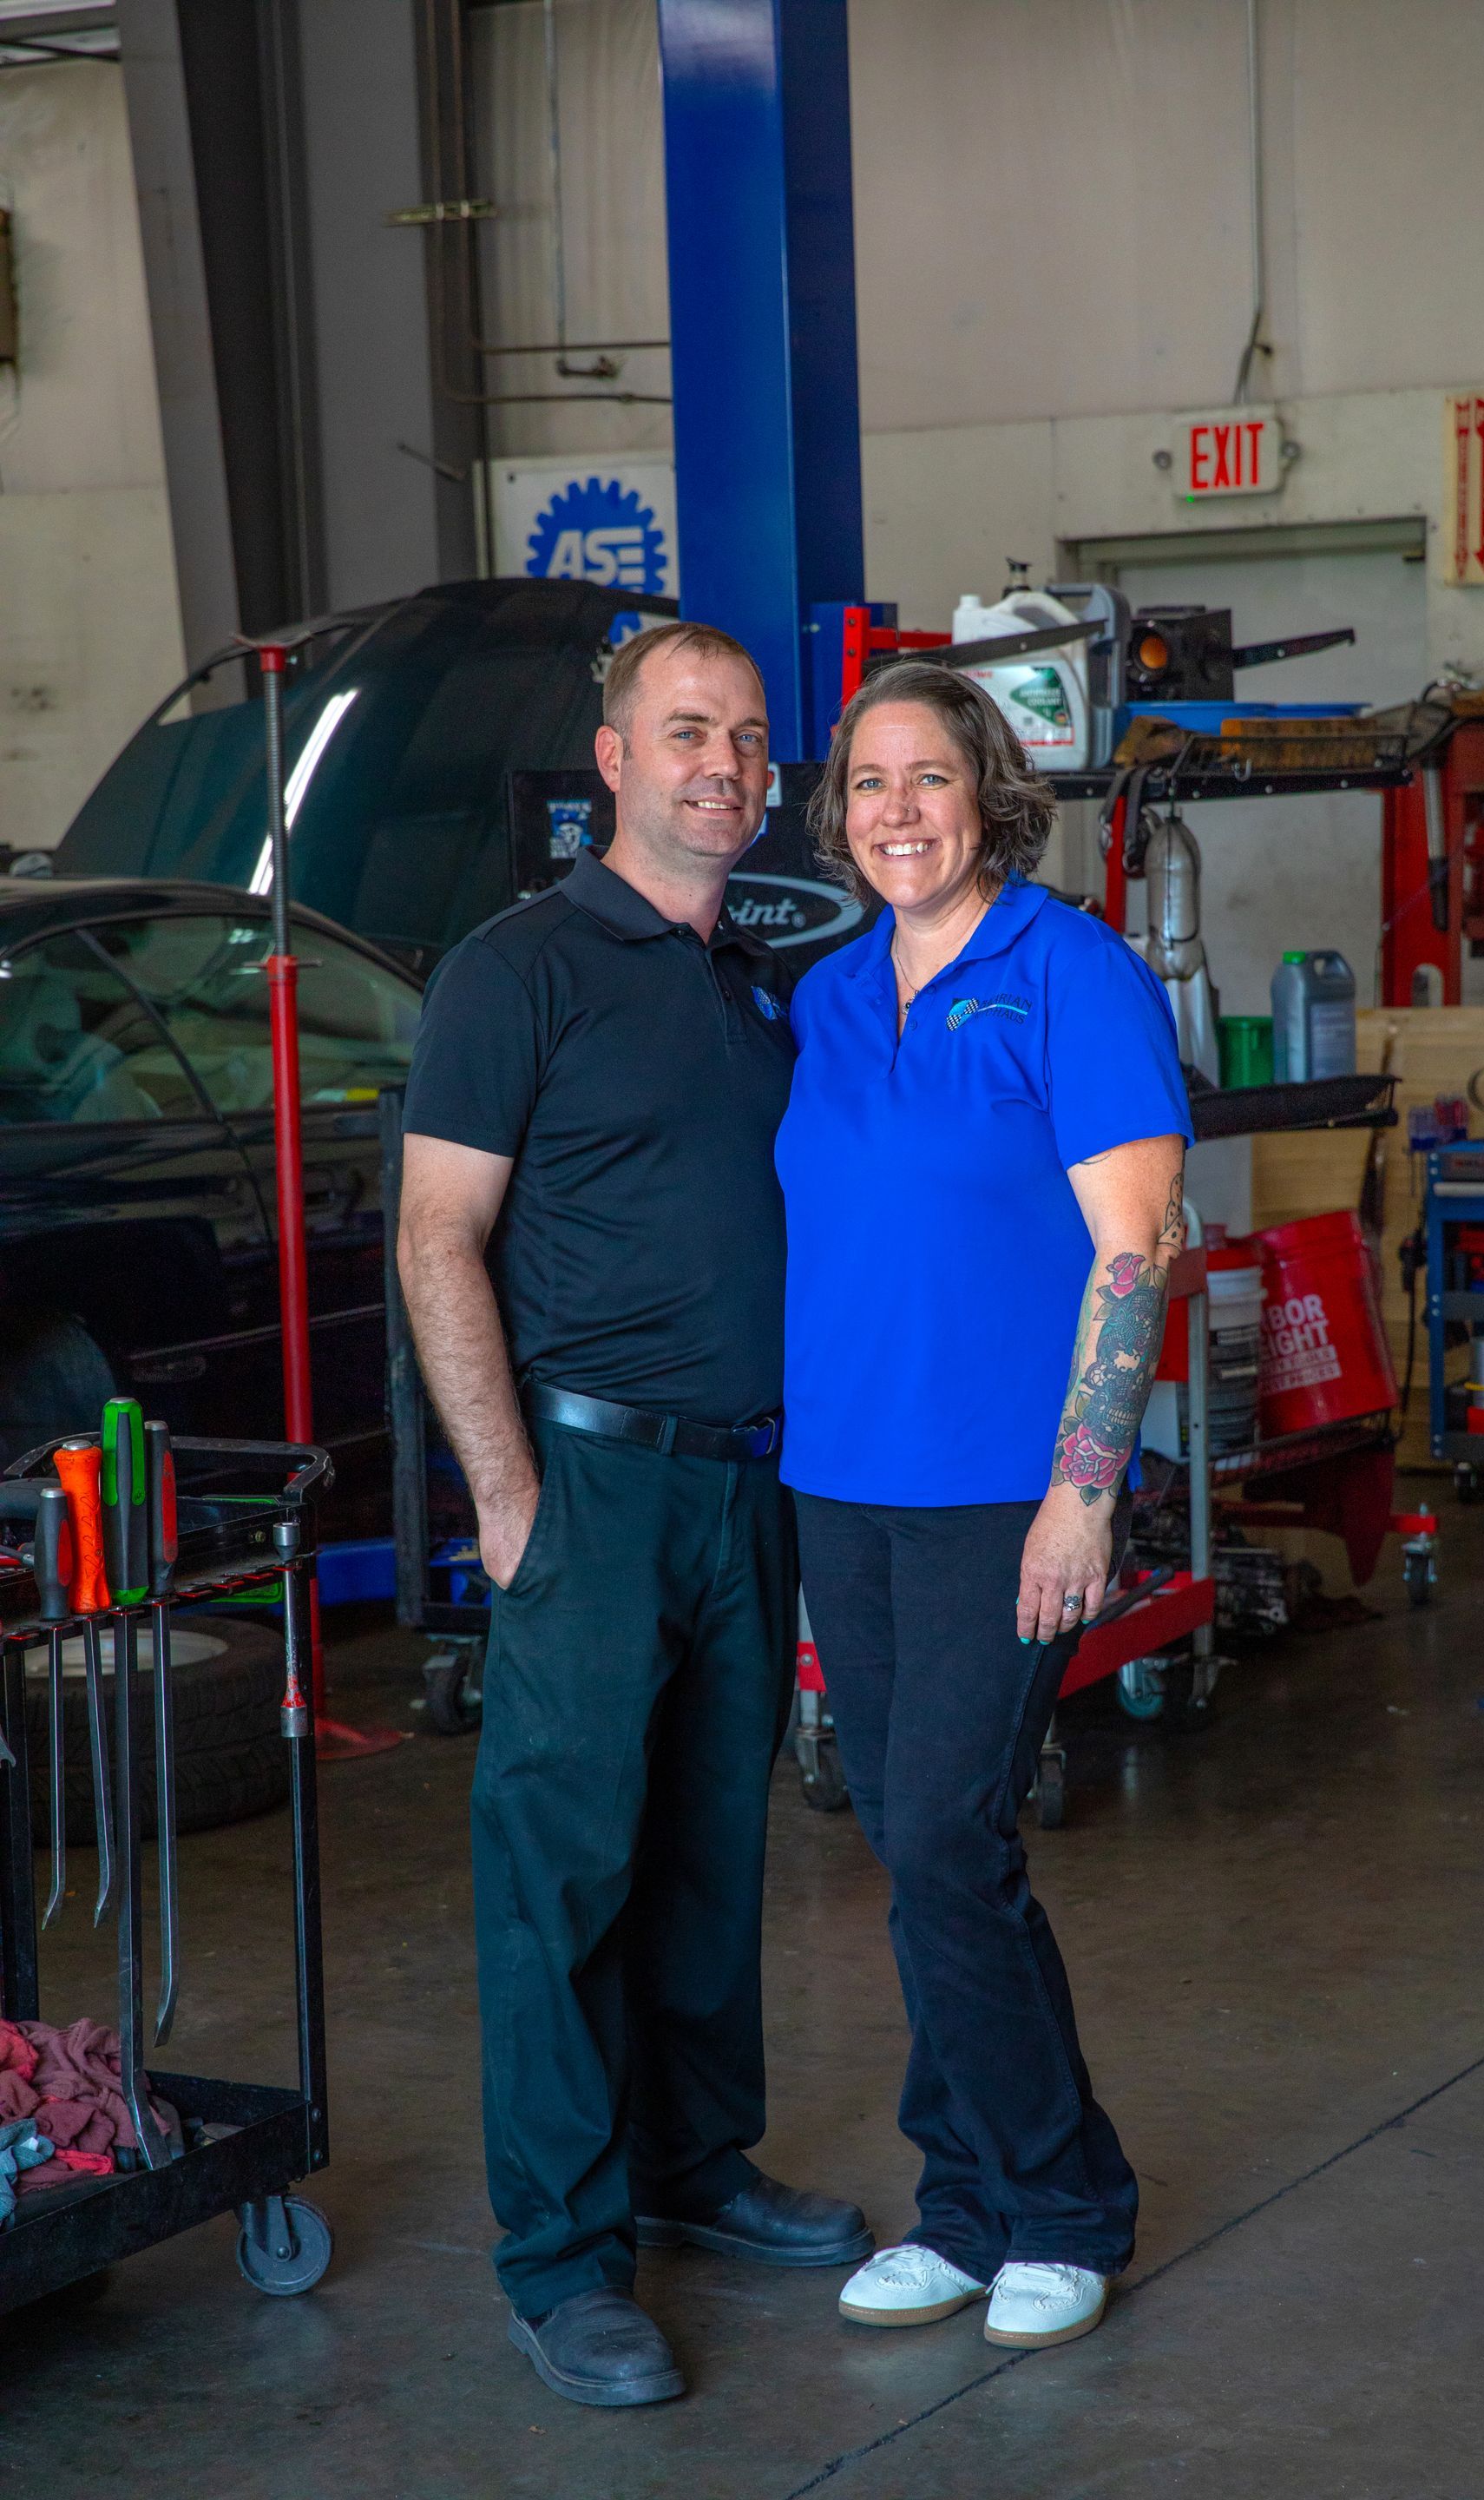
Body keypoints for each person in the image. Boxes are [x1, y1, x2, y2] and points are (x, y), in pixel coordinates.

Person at [397, 622, 871, 2412]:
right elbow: (438, 1237)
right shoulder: (516, 973)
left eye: (750, 739)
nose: (726, 767)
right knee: (562, 1878)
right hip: (586, 1482)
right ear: (612, 759)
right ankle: (564, 2256)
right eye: (688, 734)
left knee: (703, 1861)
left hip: (742, 1485)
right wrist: (507, 1498)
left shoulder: (754, 983)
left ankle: (695, 2166)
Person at [775, 662, 1192, 2353]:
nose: (896, 812)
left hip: (1000, 1500)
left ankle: (1064, 2201)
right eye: (868, 783)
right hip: (841, 1486)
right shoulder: (824, 995)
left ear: (990, 792)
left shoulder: (1068, 975)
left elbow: (1136, 1250)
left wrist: (1080, 1498)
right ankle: (959, 2204)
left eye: (927, 779)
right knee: (912, 1849)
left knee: (950, 1842)